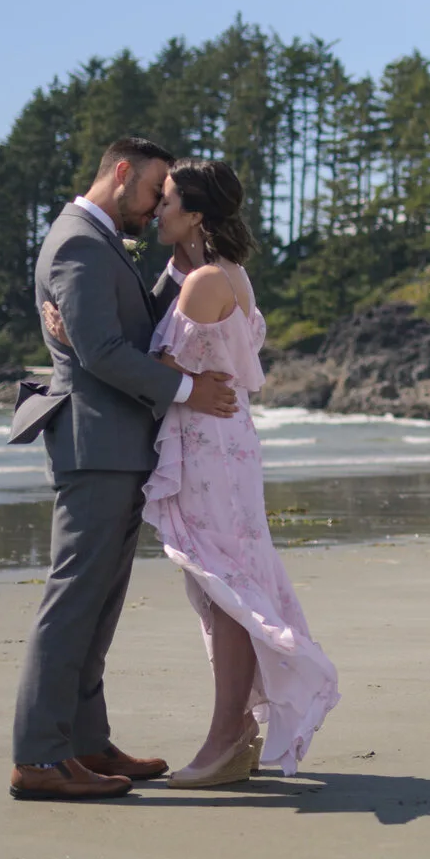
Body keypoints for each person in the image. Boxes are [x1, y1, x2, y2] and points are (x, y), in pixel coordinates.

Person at [7, 136, 241, 802]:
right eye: (153, 189)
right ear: (120, 172)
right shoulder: (78, 242)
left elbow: (130, 327)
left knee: (99, 604)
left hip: (116, 446)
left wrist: (177, 268)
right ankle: (39, 755)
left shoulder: (101, 241)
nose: (157, 203)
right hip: (95, 445)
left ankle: (85, 741)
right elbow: (103, 349)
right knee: (73, 601)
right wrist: (190, 390)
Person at [136, 158, 339, 785]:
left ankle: (227, 739)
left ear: (196, 214)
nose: (156, 209)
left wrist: (71, 337)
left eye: (168, 200)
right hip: (226, 443)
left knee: (224, 590)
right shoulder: (226, 273)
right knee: (223, 585)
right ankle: (238, 733)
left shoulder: (204, 283)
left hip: (208, 449)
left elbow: (155, 370)